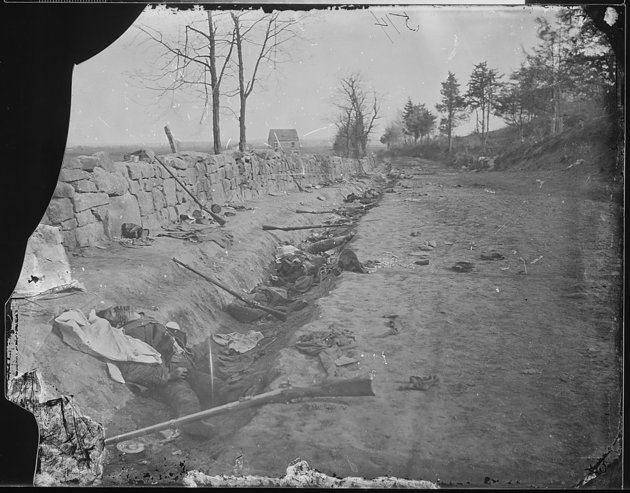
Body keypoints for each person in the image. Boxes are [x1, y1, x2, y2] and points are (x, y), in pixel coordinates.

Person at [114, 317, 227, 439]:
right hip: (166, 379)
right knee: (186, 397)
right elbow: (132, 371)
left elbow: (187, 354)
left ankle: (237, 395)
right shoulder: (132, 344)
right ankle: (191, 424)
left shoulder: (163, 335)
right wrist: (169, 376)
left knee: (214, 384)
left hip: (185, 371)